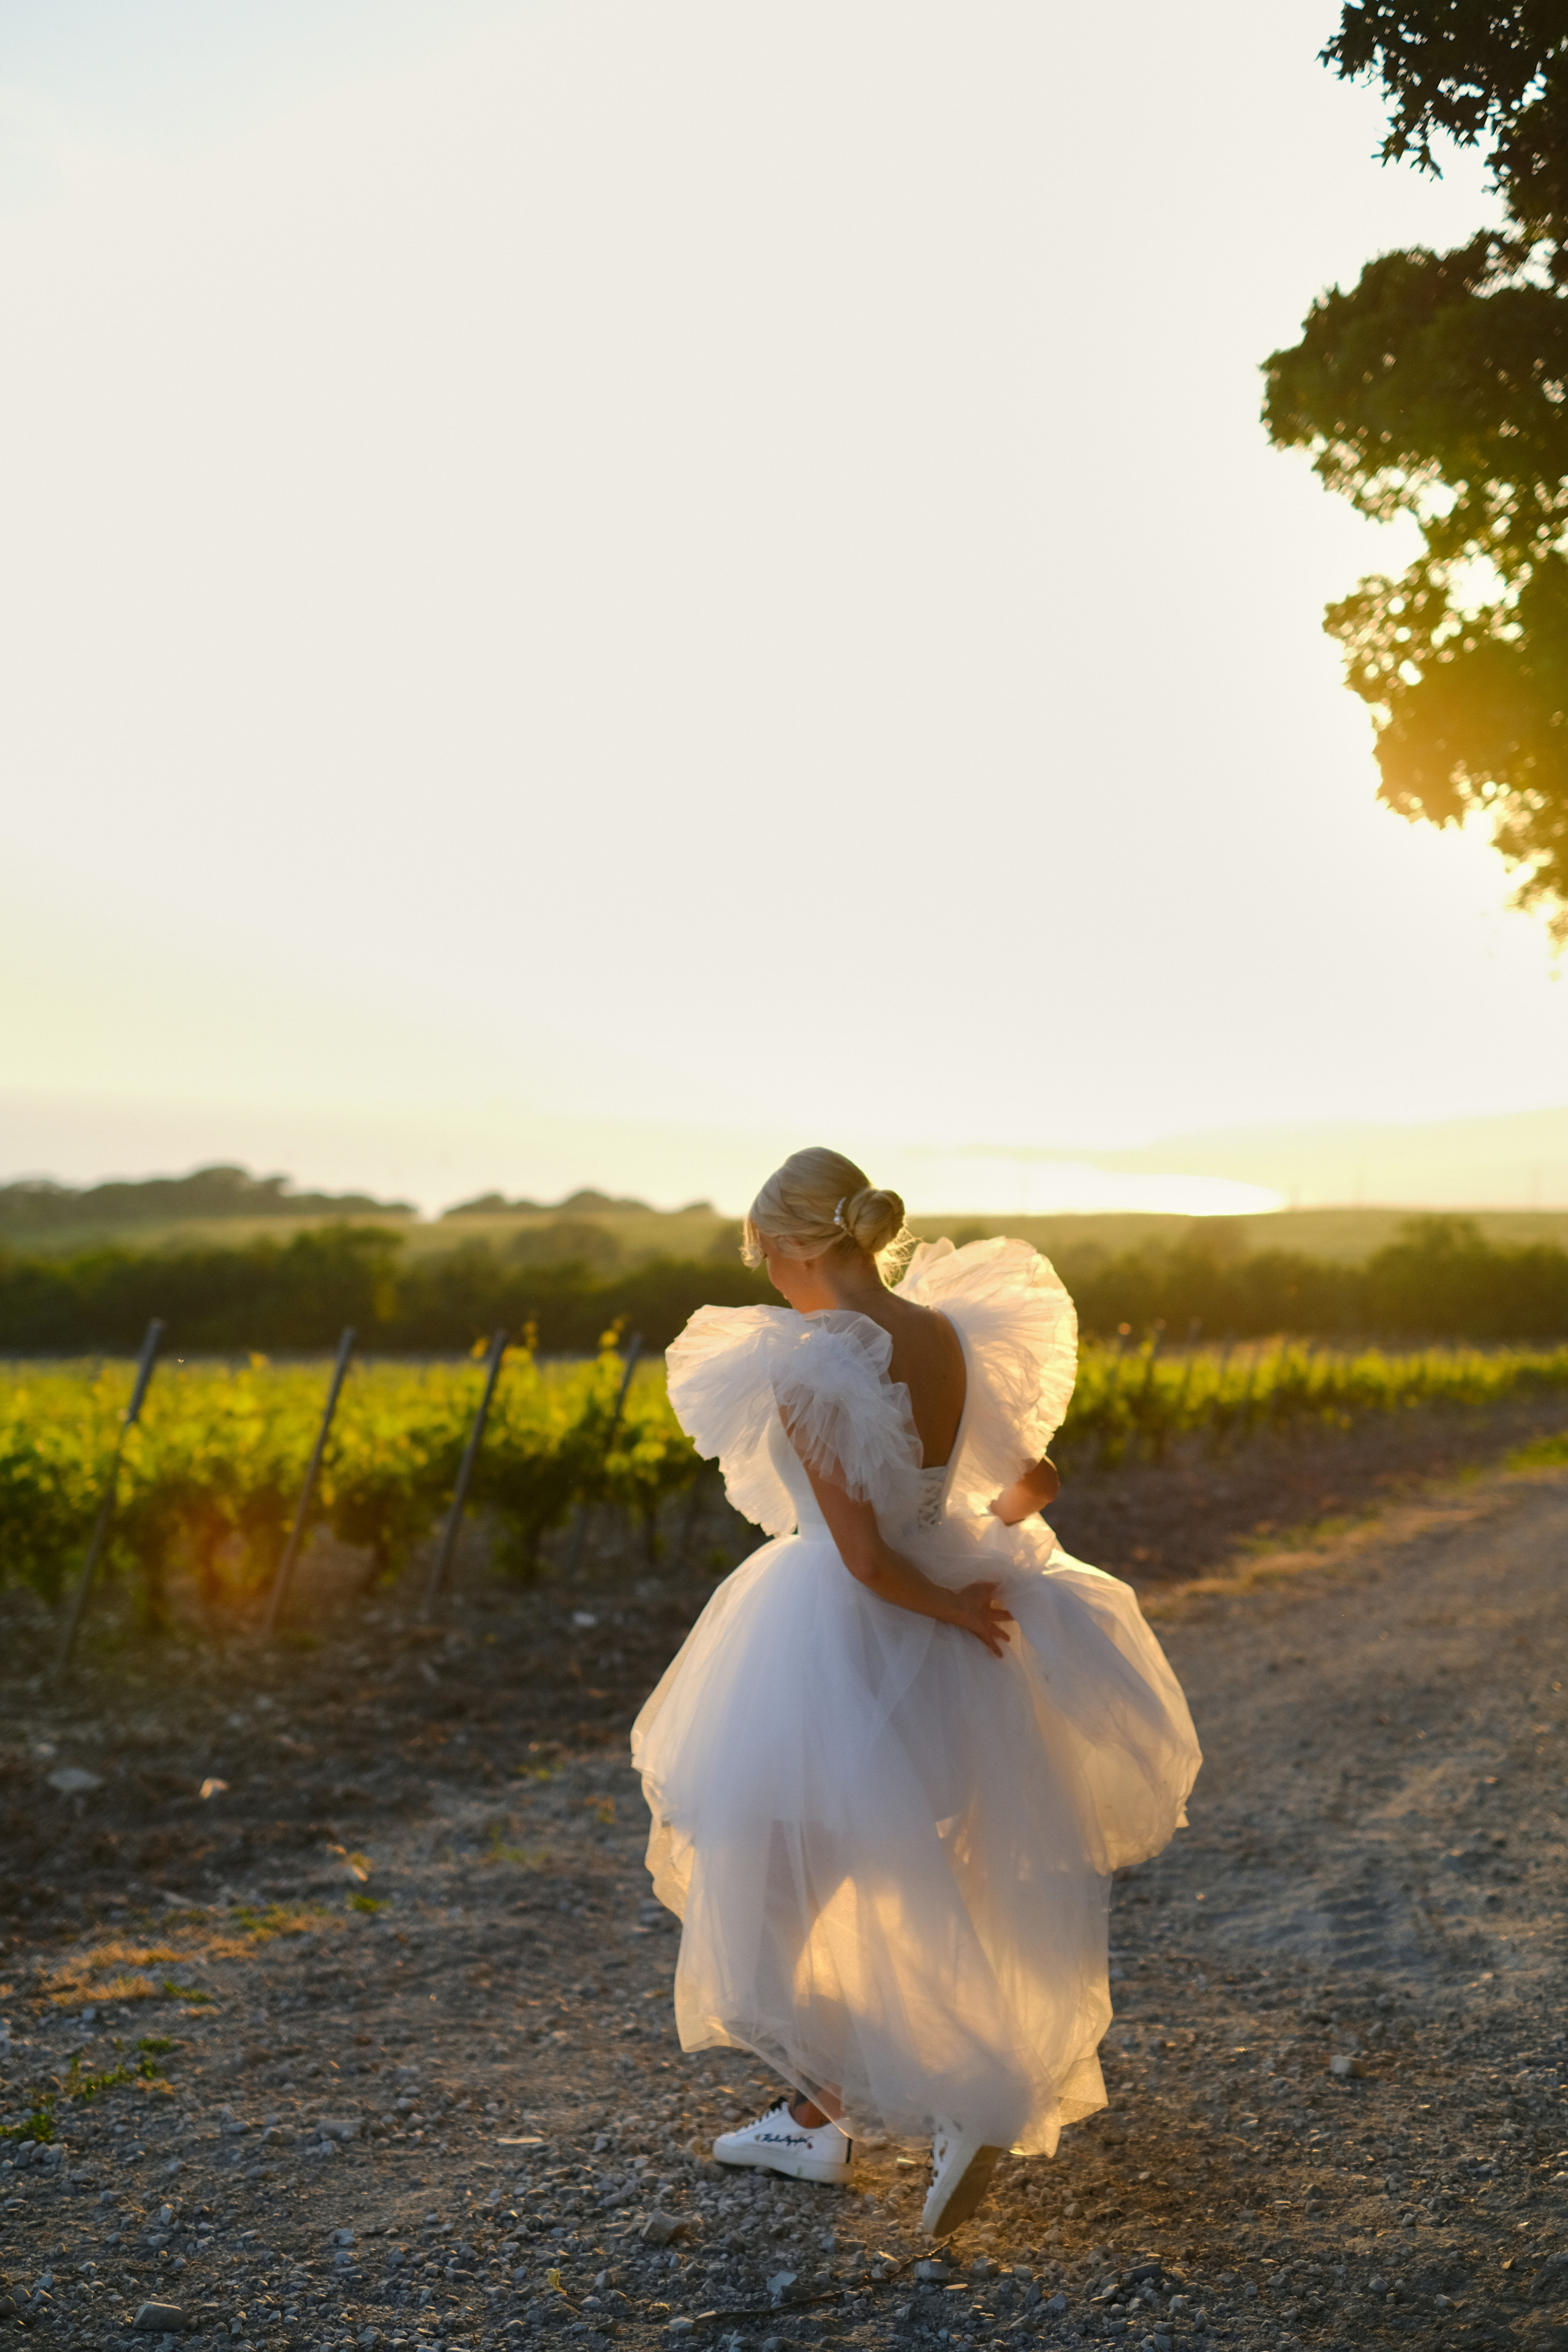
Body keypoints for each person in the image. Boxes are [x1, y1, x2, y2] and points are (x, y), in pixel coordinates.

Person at [631, 1147, 1200, 2238]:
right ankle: (819, 2118)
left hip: (846, 1642)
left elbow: (859, 1557)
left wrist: (944, 1607)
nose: (769, 1281)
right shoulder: (946, 1332)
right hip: (938, 1643)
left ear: (799, 1246)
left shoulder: (809, 1361)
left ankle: (963, 2089)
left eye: (765, 1258)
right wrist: (975, 1577)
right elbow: (1019, 1482)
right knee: (867, 1884)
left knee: (760, 1924)